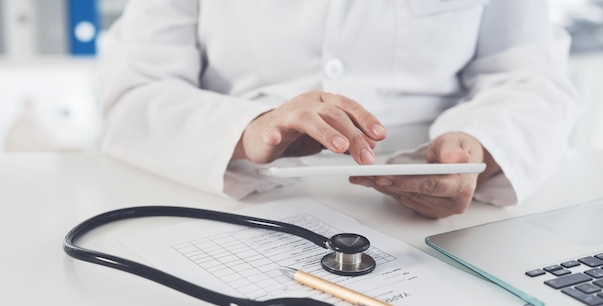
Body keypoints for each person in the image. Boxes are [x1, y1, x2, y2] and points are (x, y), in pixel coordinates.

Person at [97, 0, 579, 218]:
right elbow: (135, 91)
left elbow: (531, 76)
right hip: (234, 197)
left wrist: (481, 147)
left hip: (454, 216)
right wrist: (250, 131)